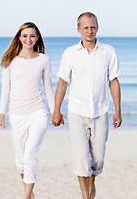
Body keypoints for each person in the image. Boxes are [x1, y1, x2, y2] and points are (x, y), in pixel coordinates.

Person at [52, 12, 122, 199]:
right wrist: (56, 110)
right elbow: (62, 82)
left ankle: (92, 183)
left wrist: (118, 111)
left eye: (92, 27)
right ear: (78, 30)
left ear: (97, 28)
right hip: (76, 112)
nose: (89, 31)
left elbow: (113, 81)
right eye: (85, 28)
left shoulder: (108, 51)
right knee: (81, 158)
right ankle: (86, 195)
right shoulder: (69, 53)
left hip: (100, 112)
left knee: (97, 159)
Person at [0, 22, 54, 199]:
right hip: (17, 114)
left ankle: (26, 196)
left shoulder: (44, 59)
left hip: (38, 113)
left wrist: (54, 111)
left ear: (37, 38)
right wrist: (1, 116)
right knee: (20, 160)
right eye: (25, 36)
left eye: (32, 36)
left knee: (30, 156)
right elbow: (5, 89)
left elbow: (48, 88)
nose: (29, 39)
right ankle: (30, 191)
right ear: (19, 38)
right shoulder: (10, 60)